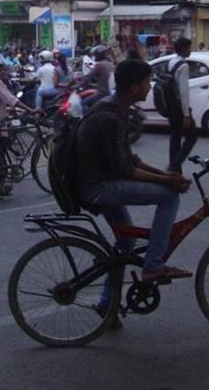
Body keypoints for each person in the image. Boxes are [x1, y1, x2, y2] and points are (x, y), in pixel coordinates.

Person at [77, 59, 192, 301]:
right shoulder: (111, 116)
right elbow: (125, 169)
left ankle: (107, 304)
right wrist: (167, 183)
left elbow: (131, 159)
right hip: (99, 187)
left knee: (126, 242)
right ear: (134, 88)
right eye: (147, 82)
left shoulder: (115, 108)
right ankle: (153, 265)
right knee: (169, 197)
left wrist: (165, 175)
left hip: (100, 181)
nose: (150, 87)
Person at [165, 38, 198, 174]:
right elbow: (184, 92)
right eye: (189, 48)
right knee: (192, 137)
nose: (190, 51)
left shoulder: (171, 62)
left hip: (171, 106)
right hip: (180, 108)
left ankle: (175, 171)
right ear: (183, 49)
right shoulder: (183, 66)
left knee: (175, 138)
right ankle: (174, 165)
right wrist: (186, 114)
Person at [0, 62, 36, 127]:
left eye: (5, 70)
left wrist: (9, 109)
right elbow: (12, 100)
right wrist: (31, 110)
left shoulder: (1, 82)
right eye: (0, 71)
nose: (3, 72)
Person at [81, 45, 114, 110]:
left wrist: (78, 85)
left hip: (102, 94)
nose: (94, 57)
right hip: (109, 93)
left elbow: (87, 77)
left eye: (95, 55)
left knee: (82, 103)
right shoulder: (109, 64)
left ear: (99, 55)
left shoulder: (99, 65)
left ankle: (85, 119)